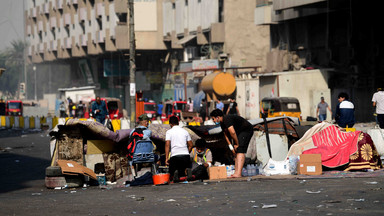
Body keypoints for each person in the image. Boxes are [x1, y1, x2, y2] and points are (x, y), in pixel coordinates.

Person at [210, 109, 253, 178]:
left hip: (246, 130)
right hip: (239, 132)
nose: (213, 121)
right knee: (236, 151)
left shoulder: (227, 119)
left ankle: (238, 173)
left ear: (217, 117)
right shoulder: (222, 123)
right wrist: (231, 147)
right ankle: (236, 172)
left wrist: (237, 144)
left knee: (240, 150)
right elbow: (226, 135)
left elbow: (232, 132)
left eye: (213, 119)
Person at [165, 116, 193, 182]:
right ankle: (186, 170)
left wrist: (166, 158)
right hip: (185, 156)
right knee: (184, 165)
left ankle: (175, 172)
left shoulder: (169, 132)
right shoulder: (185, 131)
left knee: (172, 169)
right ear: (178, 122)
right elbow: (191, 145)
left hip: (175, 157)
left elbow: (167, 145)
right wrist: (186, 152)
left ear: (170, 124)